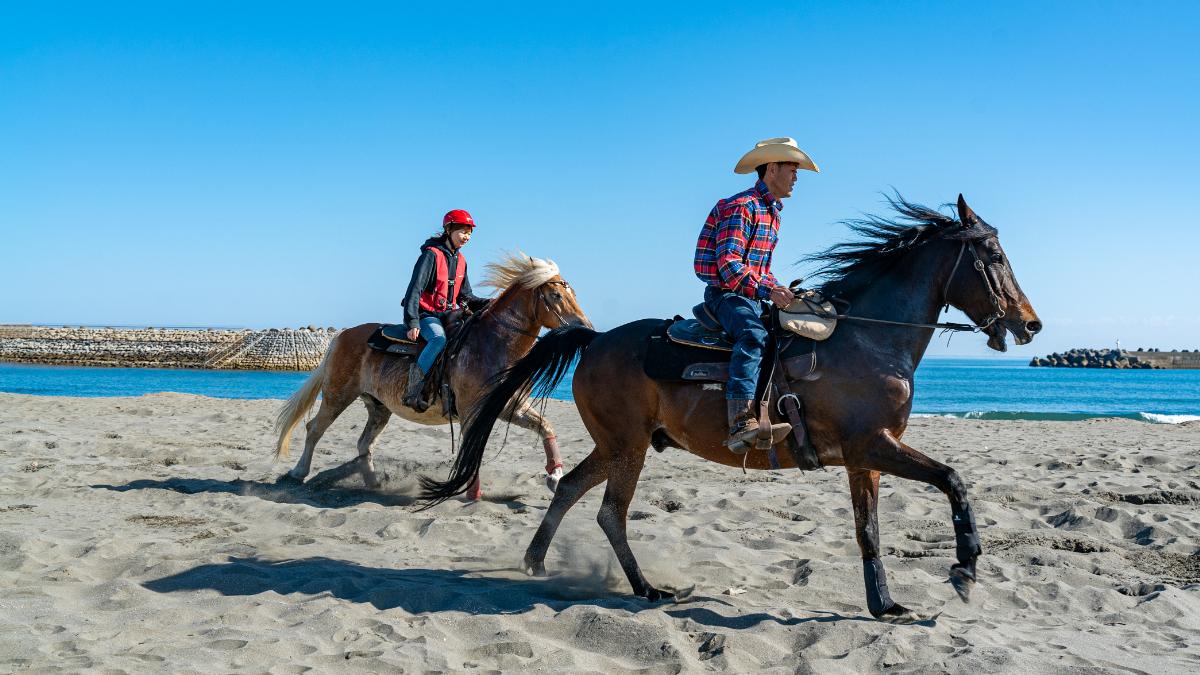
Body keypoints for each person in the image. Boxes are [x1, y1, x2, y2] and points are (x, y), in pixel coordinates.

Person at [693, 137, 819, 452]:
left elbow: (760, 269)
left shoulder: (772, 213)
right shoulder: (742, 206)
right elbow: (729, 264)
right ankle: (740, 421)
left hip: (750, 295)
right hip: (725, 295)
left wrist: (782, 289)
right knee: (752, 335)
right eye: (793, 169)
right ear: (772, 169)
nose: (796, 177)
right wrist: (767, 289)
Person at [400, 209, 486, 411]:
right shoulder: (431, 255)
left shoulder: (461, 261)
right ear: (448, 230)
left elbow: (466, 296)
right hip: (425, 315)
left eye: (469, 233)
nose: (466, 237)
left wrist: (490, 302)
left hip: (448, 316)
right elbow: (414, 289)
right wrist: (412, 322)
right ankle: (414, 389)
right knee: (438, 339)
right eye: (462, 231)